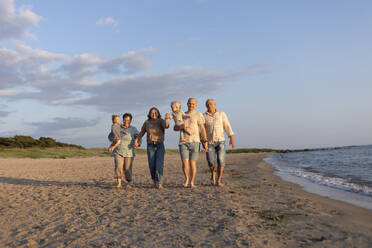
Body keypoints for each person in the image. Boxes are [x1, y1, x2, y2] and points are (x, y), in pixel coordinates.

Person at [174, 98, 208, 188]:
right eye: (189, 103)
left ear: (196, 105)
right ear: (187, 104)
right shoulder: (182, 114)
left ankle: (192, 182)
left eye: (193, 104)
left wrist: (205, 141)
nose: (191, 105)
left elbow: (202, 129)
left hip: (195, 142)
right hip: (183, 142)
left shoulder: (198, 114)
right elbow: (175, 128)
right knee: (185, 162)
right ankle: (186, 180)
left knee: (192, 163)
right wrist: (181, 127)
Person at [134, 107, 170, 189]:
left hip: (160, 144)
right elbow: (142, 132)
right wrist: (136, 140)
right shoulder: (147, 122)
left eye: (155, 112)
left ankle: (160, 183)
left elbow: (166, 126)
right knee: (152, 165)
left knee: (159, 164)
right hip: (150, 145)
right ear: (149, 114)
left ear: (158, 113)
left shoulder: (161, 121)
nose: (154, 114)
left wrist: (166, 119)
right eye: (152, 113)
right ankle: (154, 181)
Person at [204, 99, 234, 187]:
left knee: (221, 161)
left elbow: (227, 125)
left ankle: (218, 180)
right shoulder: (204, 116)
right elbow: (202, 130)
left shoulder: (221, 114)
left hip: (220, 141)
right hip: (209, 142)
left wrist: (231, 138)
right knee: (210, 161)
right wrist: (203, 141)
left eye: (211, 103)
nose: (209, 105)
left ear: (215, 104)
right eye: (208, 104)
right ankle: (213, 173)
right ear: (206, 105)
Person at [108, 113, 139, 188]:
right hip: (118, 151)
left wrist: (137, 143)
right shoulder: (117, 127)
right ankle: (119, 183)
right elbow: (110, 136)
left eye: (128, 120)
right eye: (125, 120)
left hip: (129, 152)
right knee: (118, 166)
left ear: (130, 120)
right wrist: (113, 139)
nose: (126, 121)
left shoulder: (133, 129)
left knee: (127, 168)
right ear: (123, 120)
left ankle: (129, 182)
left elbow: (139, 137)